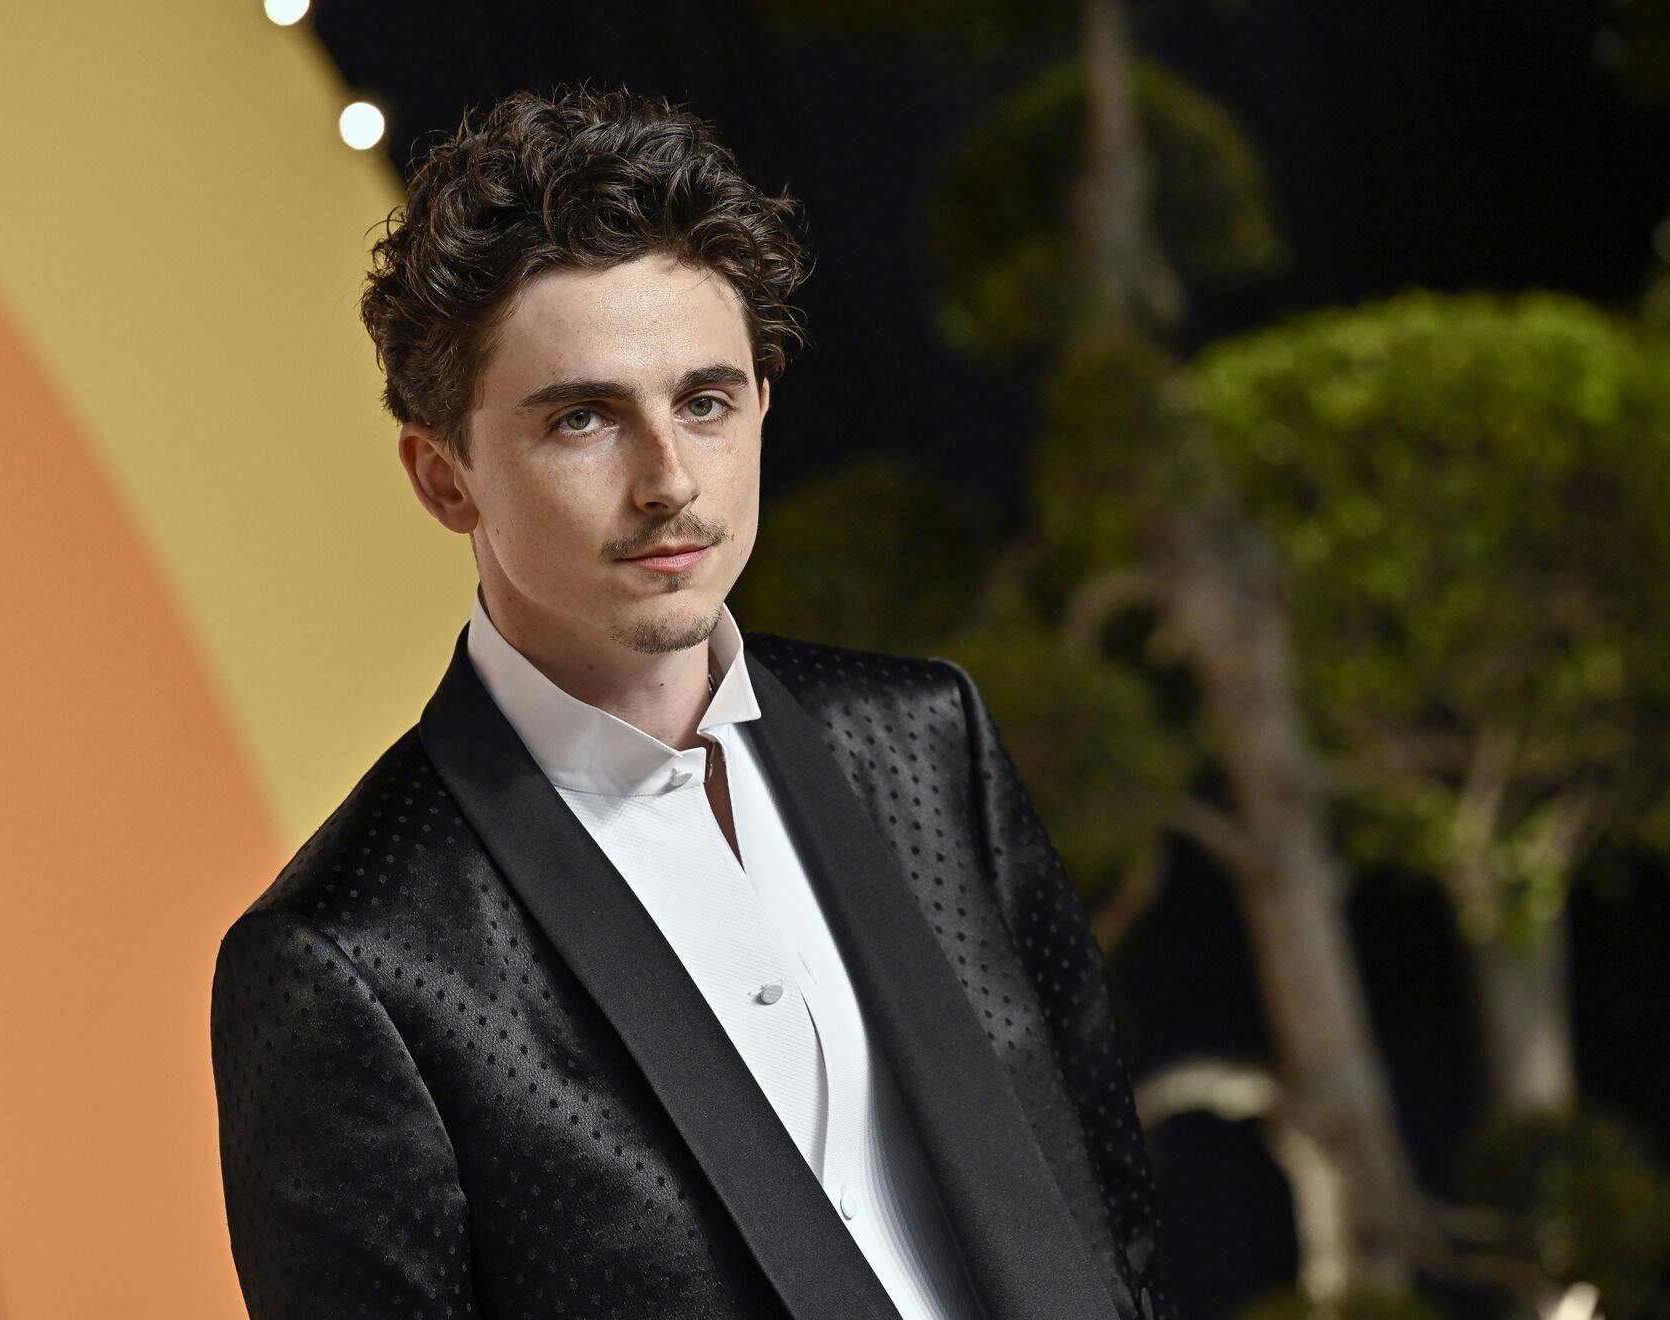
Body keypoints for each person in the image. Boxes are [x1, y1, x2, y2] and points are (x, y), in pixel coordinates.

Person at [210, 85, 1172, 1320]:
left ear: (762, 407)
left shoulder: (929, 744)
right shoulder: (351, 956)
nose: (669, 481)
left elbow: (1112, 1232)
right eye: (584, 418)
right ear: (444, 476)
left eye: (705, 401)